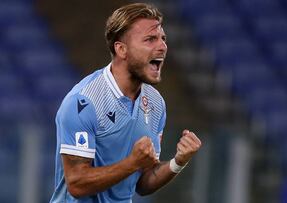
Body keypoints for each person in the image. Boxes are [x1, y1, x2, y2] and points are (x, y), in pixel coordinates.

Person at [49, 3, 202, 203]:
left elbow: (143, 183)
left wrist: (178, 162)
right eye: (150, 39)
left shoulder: (155, 103)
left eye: (163, 39)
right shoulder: (84, 102)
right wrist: (131, 163)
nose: (162, 46)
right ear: (121, 49)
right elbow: (77, 184)